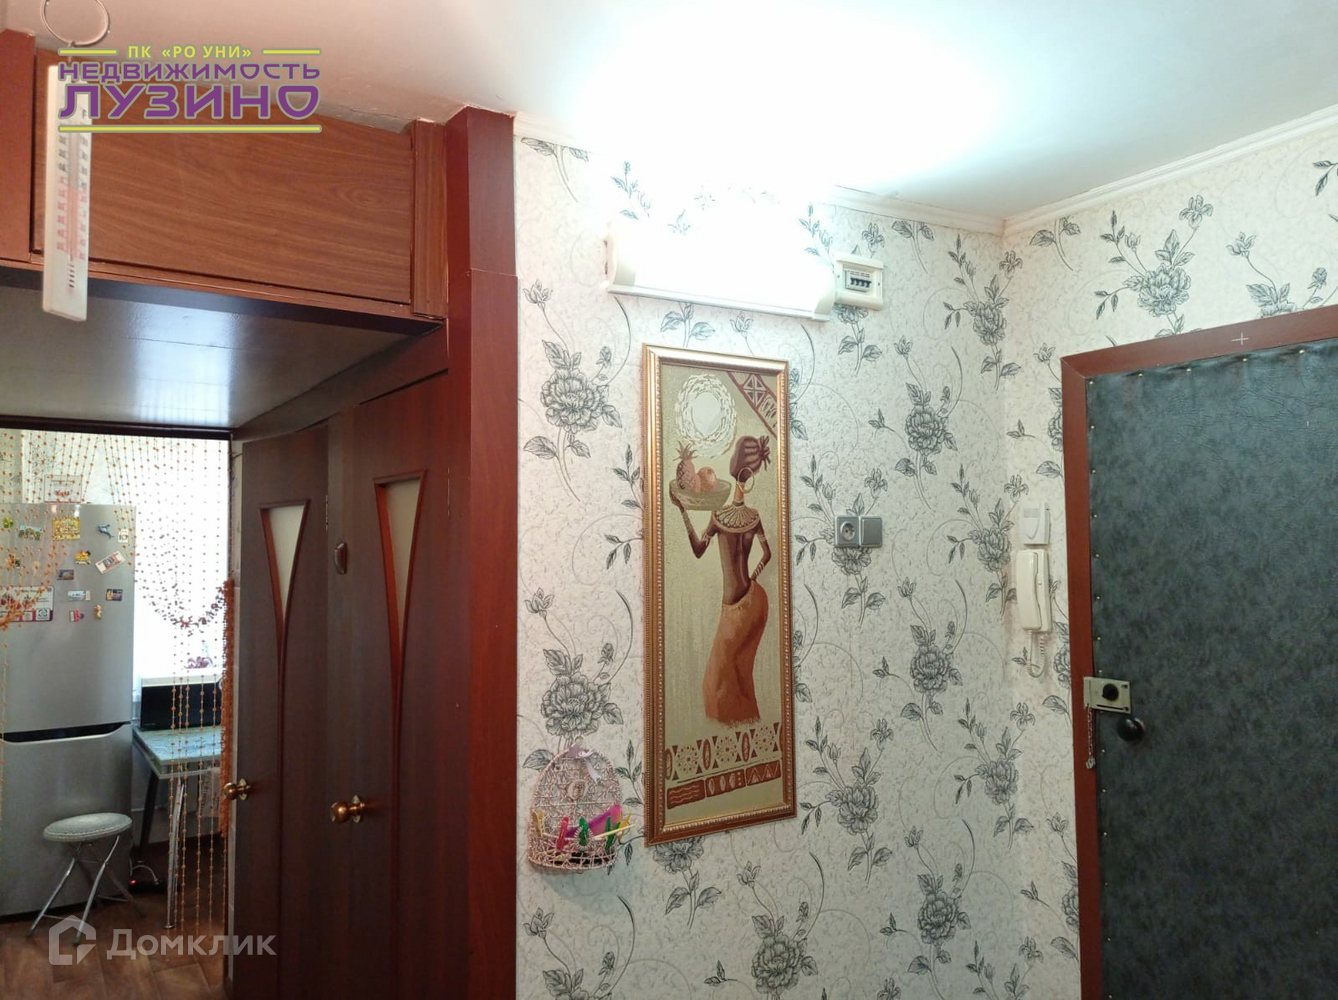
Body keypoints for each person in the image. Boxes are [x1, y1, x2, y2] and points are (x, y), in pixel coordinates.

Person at [669, 434, 772, 726]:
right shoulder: (754, 517)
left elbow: (698, 550)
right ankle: (748, 723)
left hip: (735, 609)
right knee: (739, 673)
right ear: (750, 476)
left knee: (716, 681)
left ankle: (736, 725)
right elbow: (767, 554)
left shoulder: (719, 517)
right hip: (755, 600)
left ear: (732, 470)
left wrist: (682, 511)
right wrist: (752, 579)